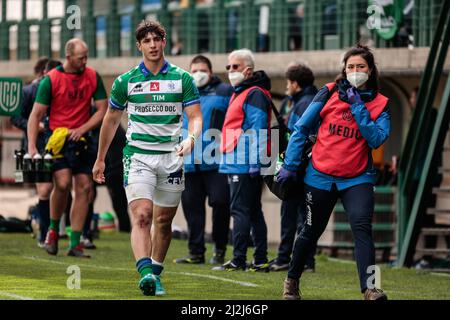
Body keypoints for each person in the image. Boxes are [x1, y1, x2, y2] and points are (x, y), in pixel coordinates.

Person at [92, 20, 202, 297]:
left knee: (163, 221)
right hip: (138, 156)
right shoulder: (125, 81)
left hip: (171, 157)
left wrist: (191, 138)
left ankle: (156, 271)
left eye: (157, 39)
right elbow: (110, 120)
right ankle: (145, 274)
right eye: (147, 41)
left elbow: (196, 116)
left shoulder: (182, 78)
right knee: (142, 215)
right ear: (139, 45)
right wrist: (101, 158)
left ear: (164, 42)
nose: (153, 45)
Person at [278, 44, 390, 300]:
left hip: (357, 178)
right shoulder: (327, 92)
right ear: (344, 69)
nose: (355, 71)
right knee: (309, 232)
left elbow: (376, 139)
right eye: (350, 67)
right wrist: (290, 165)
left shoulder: (382, 104)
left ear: (370, 70)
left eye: (361, 66)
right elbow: (302, 128)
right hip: (319, 175)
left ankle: (371, 288)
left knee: (362, 229)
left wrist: (358, 106)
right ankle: (292, 281)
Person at [27, 38, 108, 258]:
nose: (85, 61)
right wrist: (32, 146)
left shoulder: (92, 76)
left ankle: (75, 242)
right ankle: (52, 231)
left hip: (81, 140)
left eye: (86, 57)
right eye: (81, 57)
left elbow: (103, 109)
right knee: (61, 184)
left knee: (83, 188)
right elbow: (35, 115)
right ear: (69, 56)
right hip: (58, 139)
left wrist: (83, 128)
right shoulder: (51, 80)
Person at [214, 49, 271, 272]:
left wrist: (256, 162)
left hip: (243, 161)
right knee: (253, 210)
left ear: (248, 70)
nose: (230, 71)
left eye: (235, 67)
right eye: (228, 67)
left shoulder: (252, 93)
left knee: (240, 210)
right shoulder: (241, 92)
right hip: (238, 159)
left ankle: (239, 259)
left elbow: (258, 129)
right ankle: (260, 259)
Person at [174, 55, 232, 265]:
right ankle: (196, 252)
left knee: (221, 203)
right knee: (192, 208)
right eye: (194, 70)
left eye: (202, 70)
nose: (198, 74)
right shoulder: (183, 93)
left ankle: (219, 249)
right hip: (189, 162)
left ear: (210, 72)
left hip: (216, 161)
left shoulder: (225, 91)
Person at [270, 64, 318, 272]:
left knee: (294, 215)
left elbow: (298, 137)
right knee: (299, 215)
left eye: (289, 83)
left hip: (299, 167)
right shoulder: (298, 102)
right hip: (300, 165)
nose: (287, 86)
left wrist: (289, 164)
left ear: (295, 84)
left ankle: (289, 258)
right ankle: (303, 260)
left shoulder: (304, 104)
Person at [11, 58, 62, 247]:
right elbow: (15, 117)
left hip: (60, 146)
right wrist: (35, 127)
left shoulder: (61, 90)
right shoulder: (28, 91)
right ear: (44, 74)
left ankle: (61, 231)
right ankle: (44, 233)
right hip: (38, 147)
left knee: (64, 187)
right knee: (45, 188)